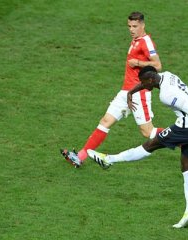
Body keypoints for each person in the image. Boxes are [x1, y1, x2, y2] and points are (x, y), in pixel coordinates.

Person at [87, 66, 188, 228]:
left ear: (151, 79)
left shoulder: (165, 95)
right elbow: (148, 84)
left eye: (143, 82)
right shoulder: (167, 76)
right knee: (187, 166)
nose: (143, 86)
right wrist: (131, 93)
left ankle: (108, 159)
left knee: (150, 145)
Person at [61, 11, 164, 167]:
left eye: (135, 26)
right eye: (129, 26)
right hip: (125, 92)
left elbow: (157, 65)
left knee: (147, 132)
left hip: (139, 92)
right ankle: (80, 157)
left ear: (143, 25)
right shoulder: (135, 40)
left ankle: (183, 137)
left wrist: (138, 63)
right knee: (105, 121)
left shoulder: (146, 41)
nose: (131, 29)